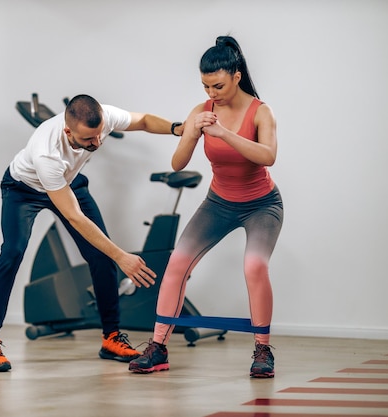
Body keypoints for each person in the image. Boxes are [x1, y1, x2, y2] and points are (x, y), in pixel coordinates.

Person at [0, 94, 185, 372]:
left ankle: (110, 336)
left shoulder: (103, 118)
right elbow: (74, 216)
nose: (96, 143)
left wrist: (176, 128)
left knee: (101, 255)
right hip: (23, 189)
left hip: (68, 183)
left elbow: (143, 120)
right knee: (12, 252)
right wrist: (122, 256)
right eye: (88, 140)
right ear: (67, 130)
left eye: (99, 136)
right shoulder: (47, 152)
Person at [128, 35, 284, 378]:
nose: (210, 93)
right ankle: (158, 348)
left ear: (236, 76)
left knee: (254, 267)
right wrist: (191, 133)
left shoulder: (261, 111)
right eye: (204, 86)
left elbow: (268, 156)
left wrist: (225, 134)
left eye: (217, 85)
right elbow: (178, 164)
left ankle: (262, 351)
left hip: (262, 205)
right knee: (176, 264)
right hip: (218, 203)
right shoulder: (202, 111)